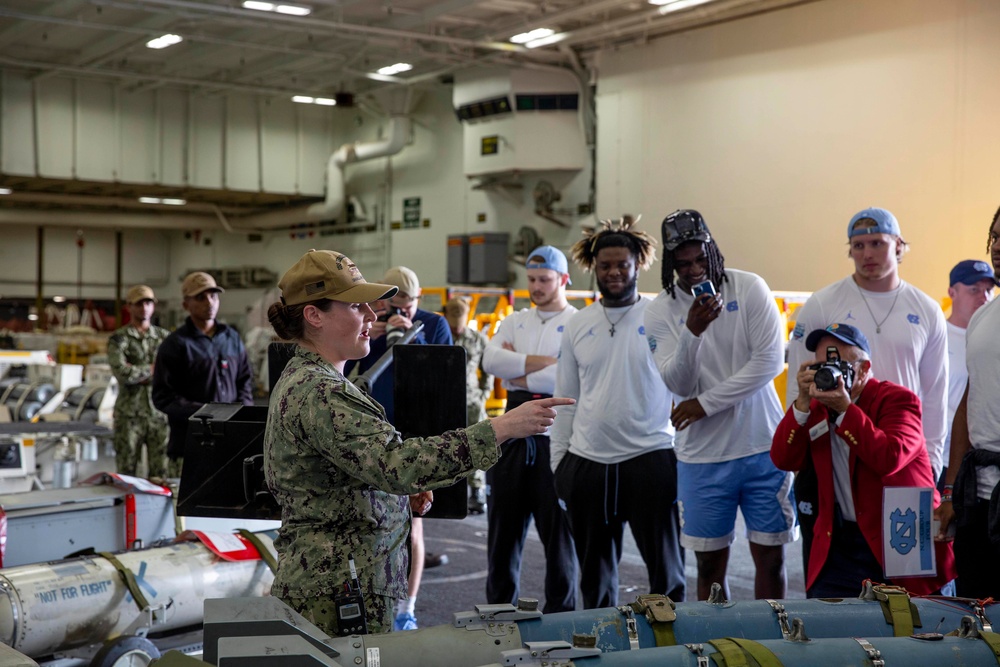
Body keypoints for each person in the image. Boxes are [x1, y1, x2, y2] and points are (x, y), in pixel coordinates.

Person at [263, 249, 572, 636]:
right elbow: (397, 464)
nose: (372, 316)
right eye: (357, 306)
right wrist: (501, 428)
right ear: (314, 316)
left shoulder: (315, 380)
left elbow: (348, 471)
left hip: (339, 580)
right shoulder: (321, 391)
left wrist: (393, 495)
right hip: (336, 588)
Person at [644, 209, 796, 601]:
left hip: (763, 447)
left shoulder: (749, 288)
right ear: (670, 265)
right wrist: (691, 332)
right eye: (683, 264)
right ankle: (719, 646)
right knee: (710, 567)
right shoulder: (660, 310)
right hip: (702, 457)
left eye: (700, 259)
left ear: (713, 250)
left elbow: (769, 362)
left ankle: (772, 643)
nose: (694, 270)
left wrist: (705, 404)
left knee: (771, 559)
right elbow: (677, 383)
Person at [551, 217, 686, 608]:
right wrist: (560, 466)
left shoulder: (661, 316)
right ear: (593, 267)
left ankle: (670, 652)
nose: (613, 273)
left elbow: (685, 382)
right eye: (605, 266)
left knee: (668, 576)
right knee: (595, 581)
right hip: (587, 464)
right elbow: (565, 398)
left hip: (650, 459)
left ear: (637, 265)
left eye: (621, 265)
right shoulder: (578, 324)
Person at [773, 323, 956, 597]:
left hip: (901, 537)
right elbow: (783, 459)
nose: (830, 373)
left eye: (840, 365)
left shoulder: (897, 399)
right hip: (840, 542)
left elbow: (889, 457)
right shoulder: (814, 406)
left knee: (918, 632)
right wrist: (800, 403)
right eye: (823, 365)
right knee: (832, 631)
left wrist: (844, 410)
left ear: (865, 368)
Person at [786, 207, 948, 480]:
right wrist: (799, 447)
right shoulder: (822, 303)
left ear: (898, 244)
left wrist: (933, 459)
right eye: (858, 245)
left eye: (877, 243)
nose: (867, 254)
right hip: (836, 446)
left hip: (900, 448)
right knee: (841, 522)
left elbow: (934, 392)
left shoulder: (926, 310)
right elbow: (797, 382)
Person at [344, 265, 453, 631]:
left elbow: (442, 373)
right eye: (384, 302)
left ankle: (408, 607)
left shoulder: (432, 323)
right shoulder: (369, 322)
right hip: (371, 430)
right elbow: (351, 373)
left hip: (414, 430)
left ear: (415, 301)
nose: (392, 309)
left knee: (414, 527)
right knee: (365, 519)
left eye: (403, 302)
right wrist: (369, 335)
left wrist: (410, 338)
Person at [481, 246, 578, 613]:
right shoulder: (516, 320)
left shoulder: (577, 322)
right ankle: (497, 615)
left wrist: (517, 370)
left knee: (559, 538)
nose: (536, 287)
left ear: (564, 280)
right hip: (511, 438)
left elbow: (568, 378)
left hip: (555, 439)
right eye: (532, 280)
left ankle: (561, 616)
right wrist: (548, 364)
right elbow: (490, 360)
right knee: (502, 534)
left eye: (544, 280)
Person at [936, 209, 1000, 598]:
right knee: (976, 610)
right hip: (979, 495)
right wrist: (952, 490)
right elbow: (969, 401)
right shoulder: (983, 318)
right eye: (995, 236)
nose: (998, 246)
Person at [151, 272, 254, 471]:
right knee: (187, 501)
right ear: (185, 305)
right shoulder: (175, 345)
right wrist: (206, 414)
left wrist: (242, 414)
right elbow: (163, 396)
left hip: (230, 443)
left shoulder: (231, 338)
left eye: (213, 296)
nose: (210, 302)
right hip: (189, 446)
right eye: (201, 297)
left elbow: (244, 381)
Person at [941, 260, 995, 487]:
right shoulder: (938, 336)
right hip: (941, 458)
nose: (983, 296)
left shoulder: (992, 336)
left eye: (989, 290)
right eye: (974, 290)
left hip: (983, 460)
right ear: (952, 292)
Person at [107, 284, 170, 478]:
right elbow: (122, 372)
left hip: (159, 413)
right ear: (129, 306)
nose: (144, 307)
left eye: (148, 303)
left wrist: (138, 373)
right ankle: (128, 509)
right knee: (126, 473)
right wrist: (153, 370)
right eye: (139, 303)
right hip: (129, 415)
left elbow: (171, 372)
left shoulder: (165, 338)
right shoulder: (119, 338)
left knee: (161, 473)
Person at [442, 296, 493, 514]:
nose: (457, 327)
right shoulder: (440, 336)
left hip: (472, 401)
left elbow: (488, 367)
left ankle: (477, 489)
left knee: (478, 443)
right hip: (445, 399)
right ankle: (446, 489)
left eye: (460, 322)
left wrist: (484, 393)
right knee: (446, 443)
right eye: (453, 323)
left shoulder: (478, 339)